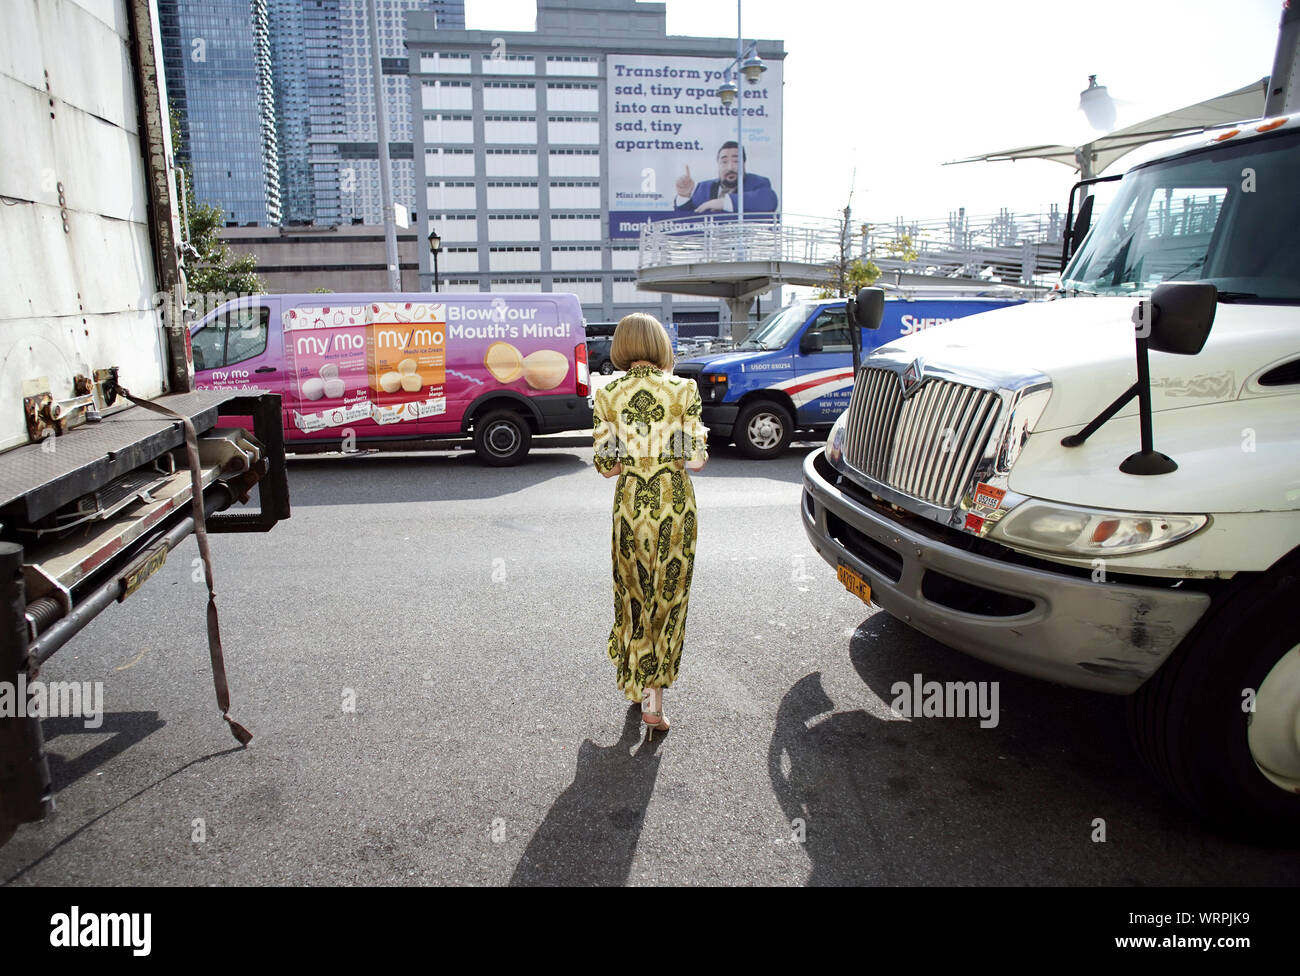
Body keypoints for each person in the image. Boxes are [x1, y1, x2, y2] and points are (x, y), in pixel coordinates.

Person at [592, 313, 708, 737]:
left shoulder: (607, 394)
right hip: (674, 511)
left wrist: (637, 456)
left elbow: (606, 467)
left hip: (629, 510)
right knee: (668, 601)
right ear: (661, 344)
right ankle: (654, 707)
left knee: (634, 598)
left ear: (621, 346)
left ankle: (636, 685)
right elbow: (692, 459)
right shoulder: (683, 391)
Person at [673, 141, 778, 214]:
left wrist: (723, 203)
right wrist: (684, 196)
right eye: (724, 162)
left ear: (744, 164)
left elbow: (768, 200)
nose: (730, 167)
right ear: (718, 164)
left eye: (736, 161)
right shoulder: (703, 187)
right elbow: (684, 220)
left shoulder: (758, 183)